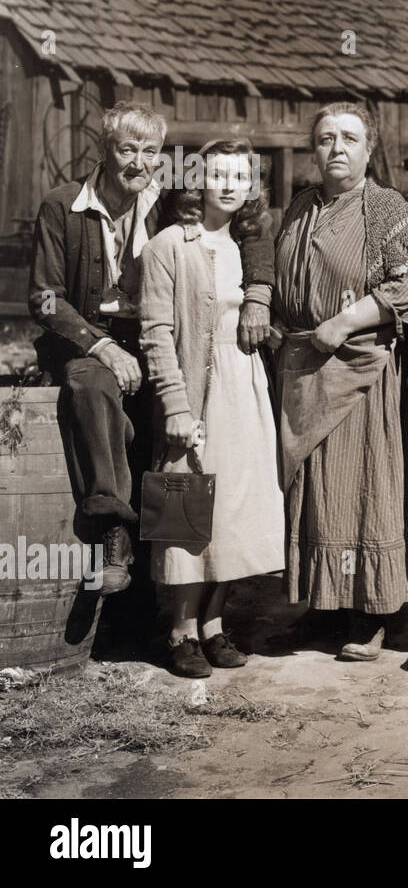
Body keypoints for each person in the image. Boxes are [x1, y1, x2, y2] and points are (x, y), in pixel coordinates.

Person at [28, 102, 272, 644]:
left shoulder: (161, 205)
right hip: (84, 339)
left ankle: (146, 615)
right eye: (126, 149)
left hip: (149, 342)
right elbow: (44, 298)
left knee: (164, 457)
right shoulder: (63, 206)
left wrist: (258, 293)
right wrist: (102, 346)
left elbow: (246, 227)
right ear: (103, 149)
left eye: (148, 151)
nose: (137, 162)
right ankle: (113, 524)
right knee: (91, 384)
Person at [273, 102, 408, 662]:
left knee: (362, 487)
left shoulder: (387, 209)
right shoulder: (299, 207)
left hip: (361, 369)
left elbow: (407, 285)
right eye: (326, 138)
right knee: (313, 490)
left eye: (349, 138)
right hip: (303, 365)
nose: (337, 148)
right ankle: (323, 605)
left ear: (368, 148)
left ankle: (373, 613)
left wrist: (343, 321)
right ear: (314, 150)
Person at [139, 139, 285, 677]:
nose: (228, 184)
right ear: (196, 181)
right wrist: (176, 407)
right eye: (216, 174)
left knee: (235, 506)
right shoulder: (169, 246)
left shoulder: (249, 246)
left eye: (239, 176)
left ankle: (214, 624)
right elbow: (156, 333)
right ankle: (179, 630)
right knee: (187, 506)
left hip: (244, 383)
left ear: (251, 187)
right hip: (195, 388)